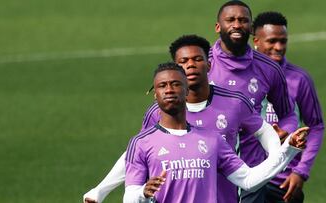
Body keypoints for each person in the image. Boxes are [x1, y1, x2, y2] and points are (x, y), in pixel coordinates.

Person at [83, 35, 282, 203]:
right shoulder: (159, 111)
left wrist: (277, 156)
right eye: (183, 62)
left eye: (197, 59)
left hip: (227, 196)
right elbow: (136, 154)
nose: (191, 66)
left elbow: (263, 130)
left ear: (209, 64)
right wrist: (101, 190)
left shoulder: (234, 102)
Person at [123, 62, 308, 203]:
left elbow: (248, 179)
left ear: (187, 90)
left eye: (175, 84)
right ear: (155, 94)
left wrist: (288, 150)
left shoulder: (212, 140)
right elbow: (129, 197)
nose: (169, 90)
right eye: (162, 86)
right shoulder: (140, 143)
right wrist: (142, 193)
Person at [208, 1, 298, 202]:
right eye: (230, 20)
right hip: (208, 169)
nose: (237, 25)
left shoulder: (269, 69)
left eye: (243, 20)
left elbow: (288, 114)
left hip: (252, 169)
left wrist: (285, 130)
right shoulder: (201, 64)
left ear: (250, 28)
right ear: (217, 27)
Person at [253, 11, 324, 203]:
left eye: (283, 41)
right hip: (246, 178)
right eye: (272, 41)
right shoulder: (240, 77)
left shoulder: (299, 79)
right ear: (256, 41)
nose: (278, 47)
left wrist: (301, 171)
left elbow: (316, 126)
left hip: (283, 182)